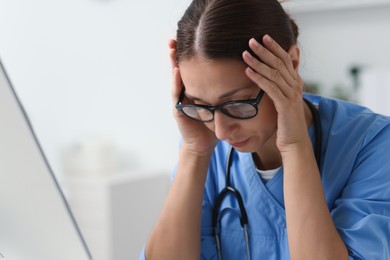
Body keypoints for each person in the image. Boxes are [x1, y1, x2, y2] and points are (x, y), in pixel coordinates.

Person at [141, 0, 390, 259]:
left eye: (237, 104)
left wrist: (295, 146)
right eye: (201, 105)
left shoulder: (373, 144)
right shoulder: (206, 146)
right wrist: (194, 153)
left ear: (291, 64)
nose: (221, 132)